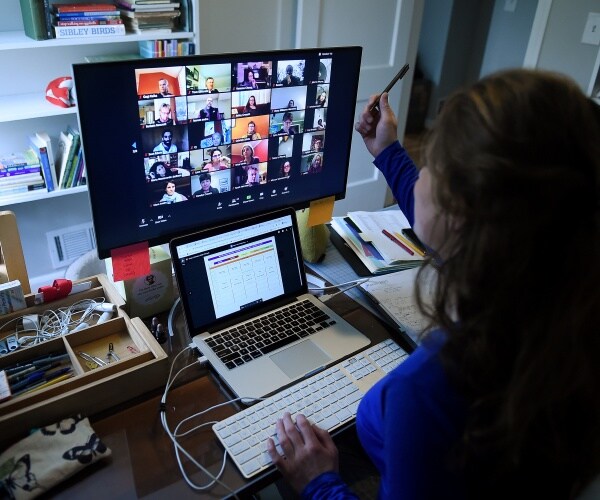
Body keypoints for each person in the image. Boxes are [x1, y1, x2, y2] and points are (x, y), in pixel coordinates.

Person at [265, 69, 600, 499]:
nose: (419, 179)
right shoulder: (551, 282)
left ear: (460, 215)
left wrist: (319, 483)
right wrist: (387, 151)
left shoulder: (431, 393)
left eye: (431, 170)